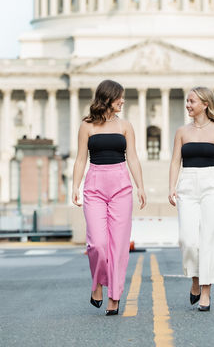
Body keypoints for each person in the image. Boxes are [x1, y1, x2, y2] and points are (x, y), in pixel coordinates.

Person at [72, 80, 146, 316]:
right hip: (94, 185)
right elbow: (81, 158)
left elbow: (132, 157)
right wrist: (75, 186)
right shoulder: (86, 125)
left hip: (121, 186)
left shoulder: (125, 126)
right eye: (119, 97)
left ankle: (114, 296)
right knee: (97, 244)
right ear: (107, 98)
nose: (123, 101)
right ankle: (98, 283)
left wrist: (140, 186)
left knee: (119, 246)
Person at [168, 86, 214, 312]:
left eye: (192, 102)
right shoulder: (182, 132)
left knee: (210, 239)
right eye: (187, 101)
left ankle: (206, 291)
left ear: (205, 104)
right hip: (187, 184)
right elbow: (175, 161)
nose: (188, 105)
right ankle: (195, 278)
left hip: (213, 186)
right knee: (187, 239)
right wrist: (171, 186)